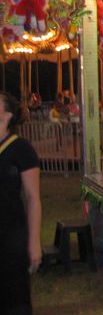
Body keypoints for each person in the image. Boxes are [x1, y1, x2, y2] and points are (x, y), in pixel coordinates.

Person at [0, 92, 42, 314]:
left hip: (10, 236)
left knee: (14, 301)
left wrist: (34, 242)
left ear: (6, 116)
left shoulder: (21, 149)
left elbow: (32, 198)